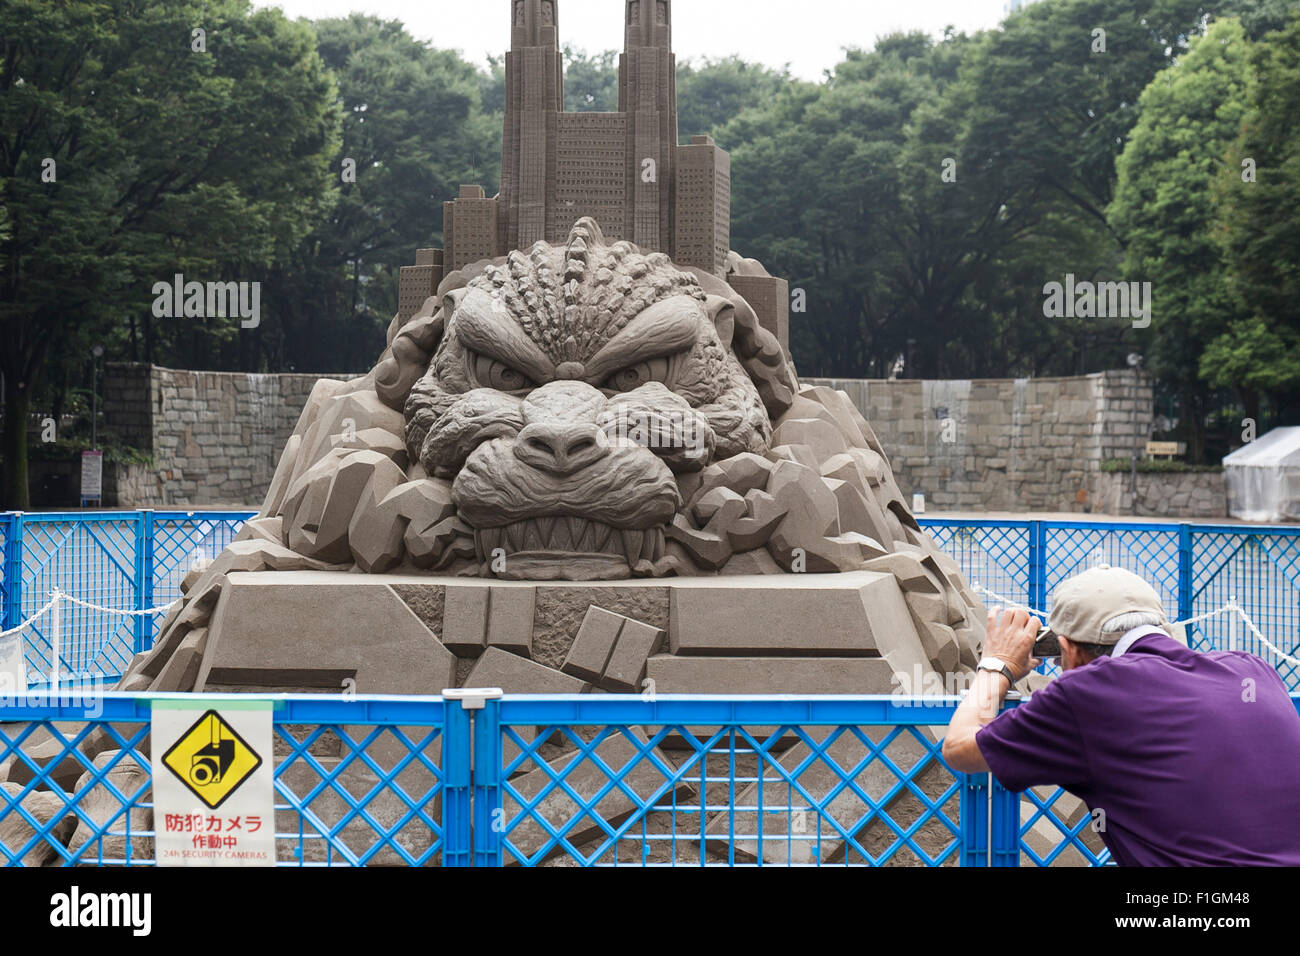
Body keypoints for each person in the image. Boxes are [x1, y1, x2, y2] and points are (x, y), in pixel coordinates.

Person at [943, 565, 1300, 866]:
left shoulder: (1086, 693)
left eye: (1059, 661)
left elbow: (959, 748)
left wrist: (997, 665)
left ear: (1069, 650)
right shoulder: (1253, 671)